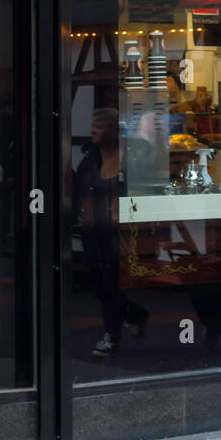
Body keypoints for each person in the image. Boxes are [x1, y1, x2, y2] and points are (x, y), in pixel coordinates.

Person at [75, 108, 147, 358]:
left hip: (120, 233)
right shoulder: (88, 160)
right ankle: (135, 314)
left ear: (113, 131)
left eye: (100, 126)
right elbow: (78, 193)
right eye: (92, 125)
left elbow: (141, 193)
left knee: (113, 284)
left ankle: (110, 336)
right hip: (93, 231)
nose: (93, 130)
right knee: (98, 285)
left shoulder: (130, 159)